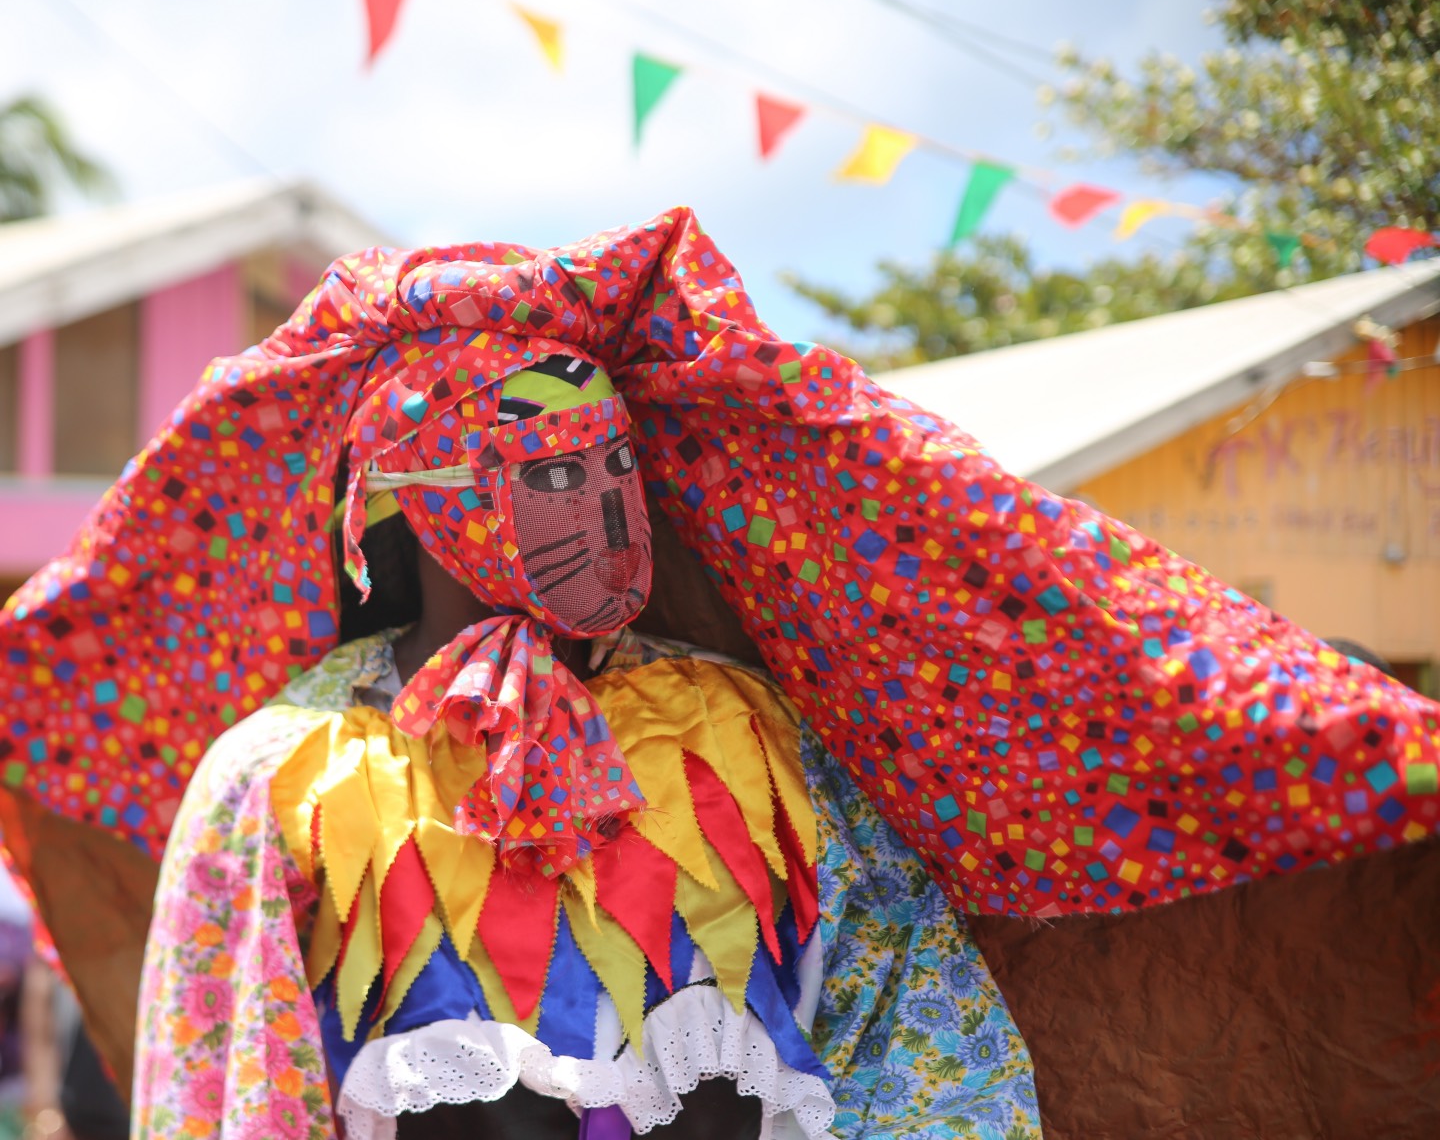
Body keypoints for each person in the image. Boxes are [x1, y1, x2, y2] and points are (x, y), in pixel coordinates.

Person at [3, 209, 1438, 1138]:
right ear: (422, 500)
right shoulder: (281, 777)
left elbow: (907, 1027)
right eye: (548, 475)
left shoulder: (748, 733)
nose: (607, 517)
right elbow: (226, 1091)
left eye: (621, 468)